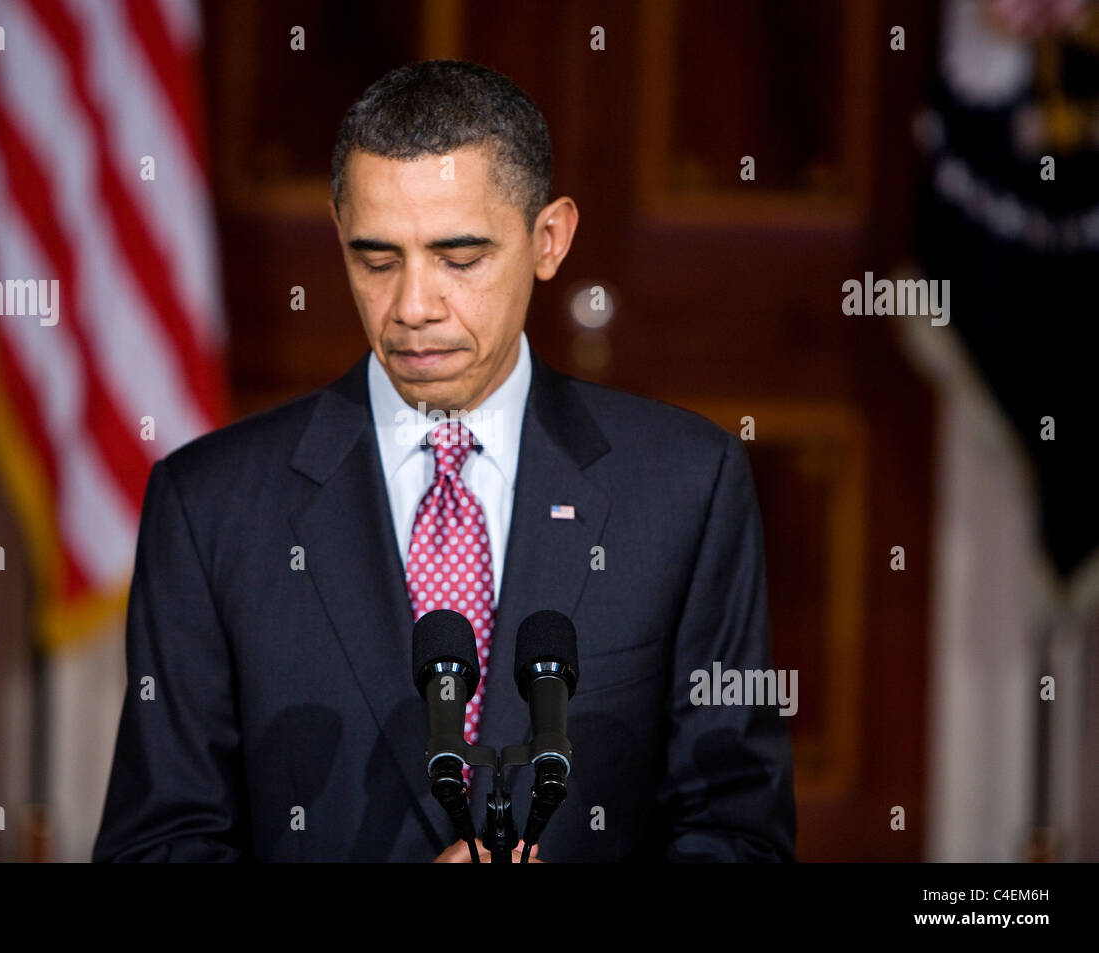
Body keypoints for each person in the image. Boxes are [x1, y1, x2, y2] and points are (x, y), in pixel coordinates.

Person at [93, 59, 795, 863]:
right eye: (377, 259)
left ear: (549, 239)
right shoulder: (209, 505)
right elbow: (155, 847)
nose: (413, 306)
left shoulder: (685, 486)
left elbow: (741, 833)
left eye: (459, 258)